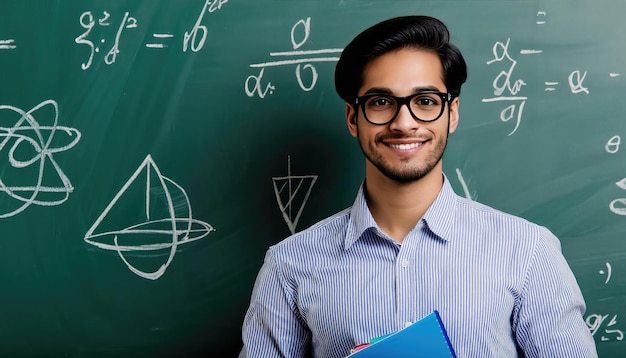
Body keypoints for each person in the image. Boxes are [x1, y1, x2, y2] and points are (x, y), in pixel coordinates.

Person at [239, 15, 598, 357]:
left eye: (425, 101)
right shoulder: (290, 264)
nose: (404, 122)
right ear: (353, 117)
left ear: (452, 113)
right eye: (381, 102)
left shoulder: (528, 251)